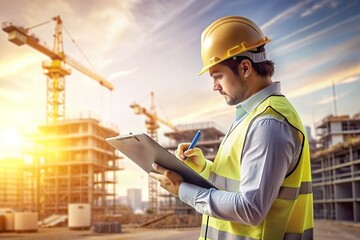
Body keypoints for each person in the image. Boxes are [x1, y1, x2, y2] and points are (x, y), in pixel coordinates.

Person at [149, 16, 314, 240]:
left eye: (218, 76)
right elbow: (238, 185)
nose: (214, 86)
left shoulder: (268, 124)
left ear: (245, 67)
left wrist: (183, 190)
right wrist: (204, 168)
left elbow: (251, 208)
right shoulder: (249, 116)